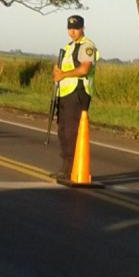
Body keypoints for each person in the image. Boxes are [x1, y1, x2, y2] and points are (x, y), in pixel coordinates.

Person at [51, 14, 98, 177]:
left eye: (76, 28)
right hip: (65, 94)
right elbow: (62, 69)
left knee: (71, 132)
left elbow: (84, 69)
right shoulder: (68, 46)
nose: (72, 31)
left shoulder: (87, 46)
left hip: (78, 93)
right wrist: (57, 72)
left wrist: (63, 75)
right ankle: (66, 167)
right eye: (70, 28)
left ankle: (71, 169)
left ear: (82, 28)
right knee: (63, 131)